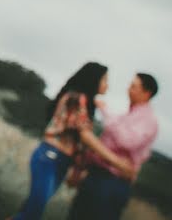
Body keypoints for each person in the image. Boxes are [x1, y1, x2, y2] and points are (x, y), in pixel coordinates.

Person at [8, 63, 135, 220]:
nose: (107, 85)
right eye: (104, 80)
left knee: (29, 211)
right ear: (93, 80)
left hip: (61, 161)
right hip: (50, 157)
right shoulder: (76, 98)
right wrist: (118, 163)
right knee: (32, 214)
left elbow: (79, 144)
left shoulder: (85, 103)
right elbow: (85, 136)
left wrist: (77, 169)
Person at [66, 73, 160, 220]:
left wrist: (106, 111)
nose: (128, 89)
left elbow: (126, 141)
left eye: (134, 86)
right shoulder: (127, 116)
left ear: (146, 93)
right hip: (98, 176)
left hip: (111, 182)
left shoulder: (148, 120)